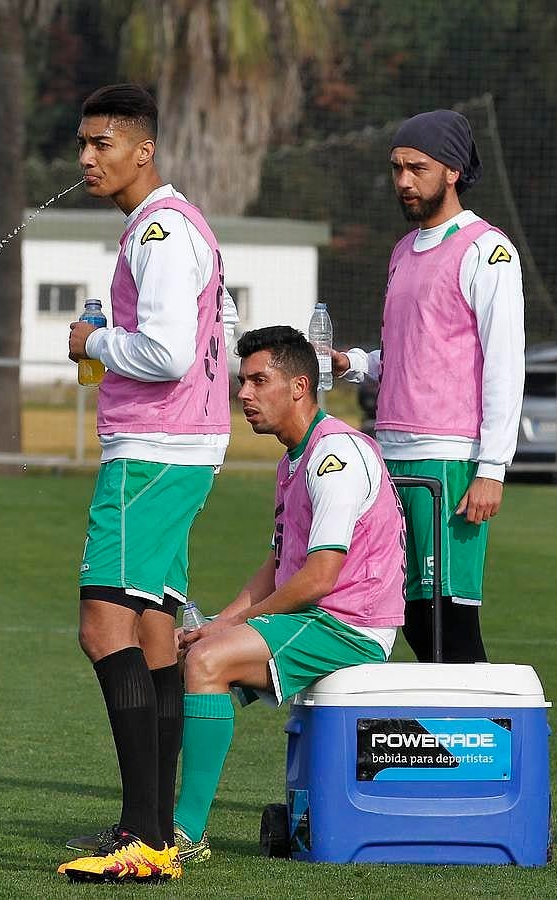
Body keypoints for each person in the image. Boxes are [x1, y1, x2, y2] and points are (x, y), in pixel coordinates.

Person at [57, 83, 236, 884]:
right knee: (156, 630)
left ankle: (140, 830)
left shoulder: (161, 230)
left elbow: (165, 353)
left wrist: (94, 338)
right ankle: (157, 829)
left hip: (153, 452)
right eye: (83, 144)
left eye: (101, 144)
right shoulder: (169, 226)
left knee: (104, 625)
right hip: (180, 446)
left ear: (142, 149)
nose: (86, 158)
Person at [171, 325, 406, 861]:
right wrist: (219, 621)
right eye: (242, 380)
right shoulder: (294, 458)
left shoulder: (335, 457)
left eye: (258, 380)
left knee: (207, 662)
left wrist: (228, 630)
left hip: (349, 625)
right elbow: (278, 564)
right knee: (185, 648)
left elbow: (320, 576)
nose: (243, 394)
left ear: (300, 386)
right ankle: (152, 817)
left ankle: (183, 836)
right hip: (318, 616)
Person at [333, 109, 524, 664]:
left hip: (450, 458)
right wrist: (356, 363)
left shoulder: (488, 251)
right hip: (391, 454)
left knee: (449, 618)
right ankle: (456, 740)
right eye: (396, 168)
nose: (403, 182)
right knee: (411, 614)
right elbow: (408, 354)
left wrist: (492, 468)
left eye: (417, 168)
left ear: (454, 171)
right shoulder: (401, 250)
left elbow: (505, 364)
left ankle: (491, 739)